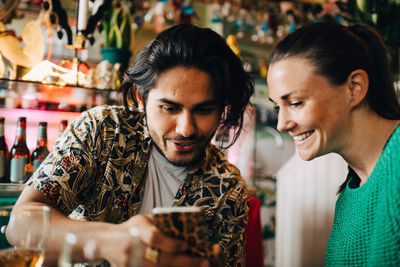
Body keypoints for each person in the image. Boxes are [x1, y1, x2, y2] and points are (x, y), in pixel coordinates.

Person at [8, 24, 254, 266]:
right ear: (140, 96)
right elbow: (20, 225)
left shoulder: (227, 188)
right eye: (169, 108)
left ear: (222, 107)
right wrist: (109, 241)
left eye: (204, 110)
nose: (185, 129)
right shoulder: (103, 132)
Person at [267, 21, 400, 265]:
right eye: (277, 107)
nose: (282, 124)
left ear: (354, 87)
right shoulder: (350, 195)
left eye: (295, 103)